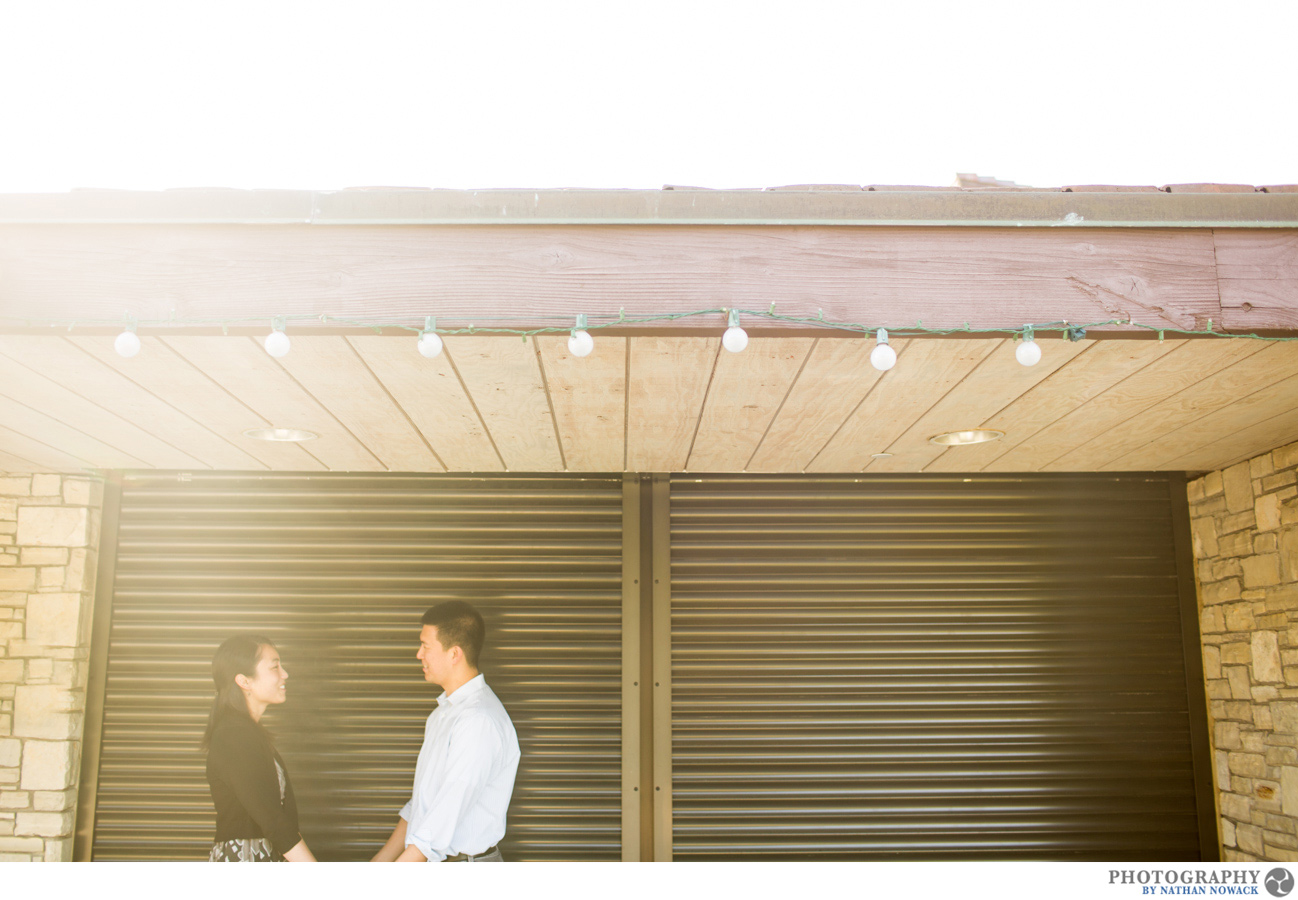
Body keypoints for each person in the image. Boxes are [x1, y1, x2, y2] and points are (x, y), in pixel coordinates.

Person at [371, 601, 521, 862]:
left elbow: (443, 817)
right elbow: (422, 808)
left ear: (454, 654)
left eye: (426, 646)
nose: (419, 654)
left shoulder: (478, 720)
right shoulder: (443, 714)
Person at [202, 634, 317, 862]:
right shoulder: (234, 737)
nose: (285, 674)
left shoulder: (247, 734)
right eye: (275, 667)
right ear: (244, 681)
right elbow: (273, 820)